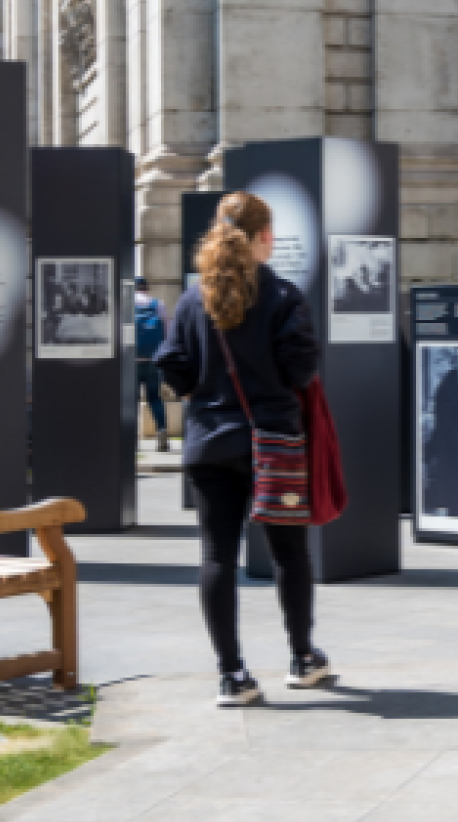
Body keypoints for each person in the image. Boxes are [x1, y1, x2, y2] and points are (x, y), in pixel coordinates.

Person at [154, 192, 330, 706]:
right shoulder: (284, 296)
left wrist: (207, 392)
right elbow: (300, 369)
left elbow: (173, 367)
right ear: (262, 237)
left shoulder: (192, 301)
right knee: (290, 554)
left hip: (210, 442)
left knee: (217, 557)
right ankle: (301, 658)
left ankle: (232, 675)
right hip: (271, 441)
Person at [134, 277, 171, 452]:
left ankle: (132, 439)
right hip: (153, 361)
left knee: (130, 401)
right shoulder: (158, 304)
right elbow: (167, 333)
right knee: (155, 398)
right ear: (146, 289)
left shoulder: (127, 304)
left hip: (131, 362)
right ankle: (162, 434)